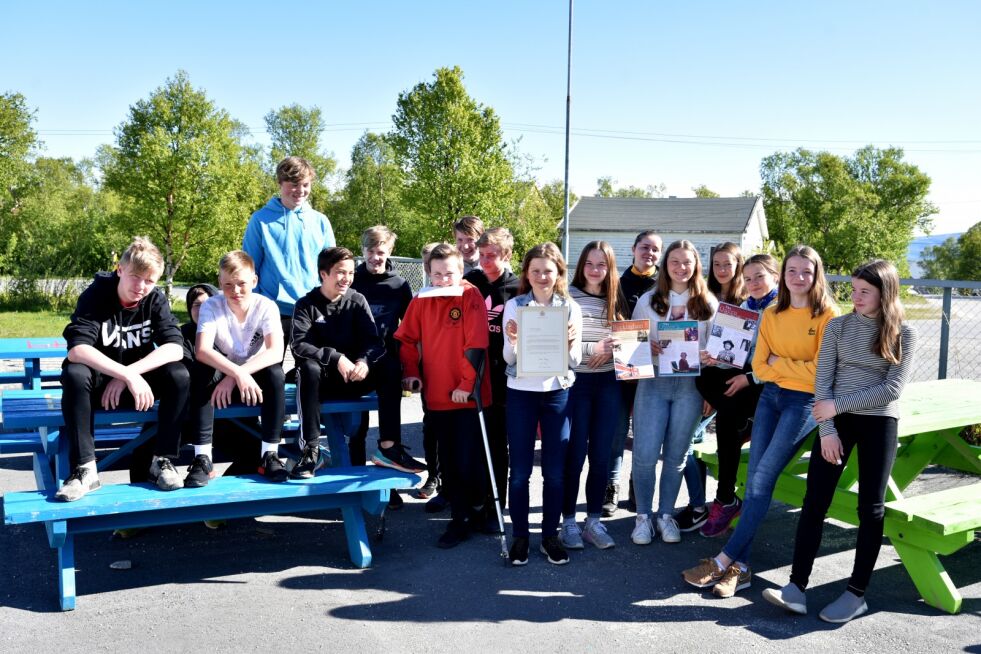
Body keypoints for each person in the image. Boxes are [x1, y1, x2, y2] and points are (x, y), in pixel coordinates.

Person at [763, 260, 918, 623]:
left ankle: (856, 594)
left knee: (871, 509)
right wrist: (829, 428)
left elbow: (891, 389)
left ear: (886, 293)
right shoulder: (837, 326)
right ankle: (796, 588)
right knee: (814, 501)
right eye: (854, 289)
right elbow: (823, 380)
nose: (856, 297)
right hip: (835, 424)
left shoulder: (902, 333)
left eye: (865, 292)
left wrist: (836, 405)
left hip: (879, 423)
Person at [682, 245, 838, 599]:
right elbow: (761, 368)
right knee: (754, 482)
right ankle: (743, 568)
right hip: (771, 397)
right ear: (783, 276)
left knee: (762, 478)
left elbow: (821, 374)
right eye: (792, 271)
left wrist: (780, 365)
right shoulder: (772, 313)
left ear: (817, 275)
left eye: (806, 271)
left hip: (804, 404)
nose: (798, 278)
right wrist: (786, 366)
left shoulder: (828, 315)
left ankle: (724, 561)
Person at [56, 237, 190, 502]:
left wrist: (133, 373)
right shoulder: (96, 295)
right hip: (100, 385)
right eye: (135, 277)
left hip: (137, 386)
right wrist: (124, 374)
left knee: (179, 374)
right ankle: (85, 469)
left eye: (149, 281)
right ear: (120, 269)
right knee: (74, 372)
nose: (141, 287)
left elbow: (175, 348)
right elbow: (77, 350)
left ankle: (161, 459)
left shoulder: (156, 300)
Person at [292, 247, 423, 478]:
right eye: (340, 272)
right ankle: (310, 450)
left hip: (355, 377)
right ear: (324, 274)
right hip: (324, 382)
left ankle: (389, 448)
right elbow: (299, 346)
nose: (347, 278)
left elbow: (374, 342)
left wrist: (364, 361)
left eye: (351, 273)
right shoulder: (306, 304)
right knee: (307, 369)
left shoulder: (356, 299)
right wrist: (336, 358)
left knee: (389, 365)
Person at [395, 244, 492, 548]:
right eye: (436, 273)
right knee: (449, 462)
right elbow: (407, 339)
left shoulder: (469, 295)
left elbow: (476, 342)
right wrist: (411, 372)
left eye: (448, 273)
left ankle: (476, 511)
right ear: (429, 273)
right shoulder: (422, 298)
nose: (442, 278)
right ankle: (460, 519)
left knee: (469, 461)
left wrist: (466, 383)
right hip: (437, 395)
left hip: (467, 395)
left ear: (460, 271)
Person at [629, 240, 718, 545]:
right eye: (675, 262)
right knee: (644, 455)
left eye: (687, 262)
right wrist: (645, 345)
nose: (681, 267)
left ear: (696, 266)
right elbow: (629, 343)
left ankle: (666, 515)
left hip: (690, 388)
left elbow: (718, 350)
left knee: (677, 456)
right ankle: (643, 517)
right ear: (666, 265)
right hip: (653, 383)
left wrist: (710, 362)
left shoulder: (708, 302)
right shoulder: (648, 300)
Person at [502, 242, 583, 566]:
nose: (541, 276)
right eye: (535, 271)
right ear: (527, 274)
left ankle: (550, 535)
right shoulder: (516, 306)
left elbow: (574, 361)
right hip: (521, 391)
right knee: (520, 471)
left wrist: (572, 341)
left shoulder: (569, 308)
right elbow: (509, 358)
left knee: (554, 472)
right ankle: (520, 535)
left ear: (558, 273)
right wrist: (513, 340)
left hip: (556, 393)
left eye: (547, 270)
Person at [696, 254, 780, 538]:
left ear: (775, 277)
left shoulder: (782, 308)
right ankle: (744, 423)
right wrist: (714, 357)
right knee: (704, 375)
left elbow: (779, 361)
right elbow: (733, 353)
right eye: (748, 278)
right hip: (745, 376)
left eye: (760, 276)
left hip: (769, 383)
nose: (753, 283)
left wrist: (748, 378)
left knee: (727, 421)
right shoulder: (744, 307)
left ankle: (725, 498)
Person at [193, 251, 288, 482]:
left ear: (254, 281)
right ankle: (202, 458)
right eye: (228, 285)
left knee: (276, 374)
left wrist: (239, 374)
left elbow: (275, 351)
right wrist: (234, 373)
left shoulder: (266, 306)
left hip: (251, 375)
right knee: (201, 371)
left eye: (241, 284)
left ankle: (269, 454)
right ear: (219, 283)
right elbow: (202, 350)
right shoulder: (212, 306)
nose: (235, 291)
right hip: (222, 371)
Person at [676, 242, 750, 532]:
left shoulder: (747, 300)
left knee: (712, 438)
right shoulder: (703, 297)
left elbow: (746, 352)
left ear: (738, 266)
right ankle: (699, 505)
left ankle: (718, 501)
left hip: (735, 383)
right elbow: (692, 340)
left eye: (727, 264)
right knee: (689, 442)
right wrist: (710, 394)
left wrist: (718, 398)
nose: (721, 270)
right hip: (706, 380)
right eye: (716, 264)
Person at [560, 241, 626, 551]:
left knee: (601, 456)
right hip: (576, 384)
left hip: (608, 385)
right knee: (573, 456)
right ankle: (569, 522)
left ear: (610, 269)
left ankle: (594, 521)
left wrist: (620, 346)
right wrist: (592, 349)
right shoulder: (567, 297)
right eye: (590, 263)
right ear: (581, 266)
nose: (595, 269)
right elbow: (556, 343)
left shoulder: (617, 300)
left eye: (602, 265)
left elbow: (629, 347)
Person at [349, 227, 422, 497]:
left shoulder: (398, 285)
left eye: (381, 252)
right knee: (356, 427)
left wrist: (411, 366)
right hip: (356, 360)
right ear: (363, 252)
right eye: (370, 251)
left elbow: (410, 329)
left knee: (391, 381)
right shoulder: (353, 281)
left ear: (389, 252)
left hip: (386, 360)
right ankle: (354, 481)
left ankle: (389, 479)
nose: (375, 257)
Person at [464, 227, 520, 531]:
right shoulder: (470, 281)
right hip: (472, 373)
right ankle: (472, 502)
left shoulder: (518, 287)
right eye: (481, 254)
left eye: (492, 255)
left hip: (502, 378)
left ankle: (496, 505)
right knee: (472, 443)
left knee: (497, 445)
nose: (484, 260)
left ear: (506, 255)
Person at [605, 230, 663, 517]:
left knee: (643, 435)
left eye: (655, 249)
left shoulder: (664, 284)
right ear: (633, 248)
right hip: (621, 365)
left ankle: (636, 490)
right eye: (644, 247)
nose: (649, 253)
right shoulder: (616, 281)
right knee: (616, 432)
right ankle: (610, 487)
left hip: (652, 370)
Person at [242, 156, 336, 333]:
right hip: (271, 309)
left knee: (313, 361)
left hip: (312, 308)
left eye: (305, 184)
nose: (300, 190)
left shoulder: (320, 221)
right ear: (280, 183)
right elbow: (248, 267)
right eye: (294, 184)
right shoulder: (260, 220)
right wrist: (253, 303)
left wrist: (329, 300)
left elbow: (331, 267)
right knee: (269, 361)